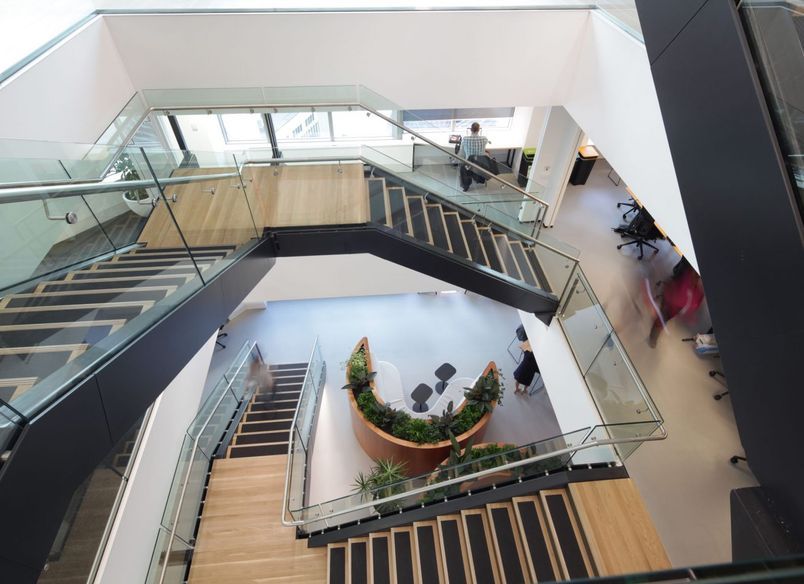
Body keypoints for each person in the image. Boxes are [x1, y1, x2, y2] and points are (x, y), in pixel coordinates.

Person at [648, 258, 705, 347]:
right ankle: (653, 336)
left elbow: (694, 301)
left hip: (676, 305)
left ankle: (656, 331)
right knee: (661, 319)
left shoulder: (695, 290)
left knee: (664, 318)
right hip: (671, 300)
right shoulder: (686, 276)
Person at [459, 122, 491, 192]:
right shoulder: (484, 139)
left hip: (469, 163)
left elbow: (462, 152)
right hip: (480, 163)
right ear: (479, 130)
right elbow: (485, 146)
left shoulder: (465, 139)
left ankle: (466, 186)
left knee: (464, 163)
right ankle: (479, 178)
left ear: (470, 129)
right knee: (487, 153)